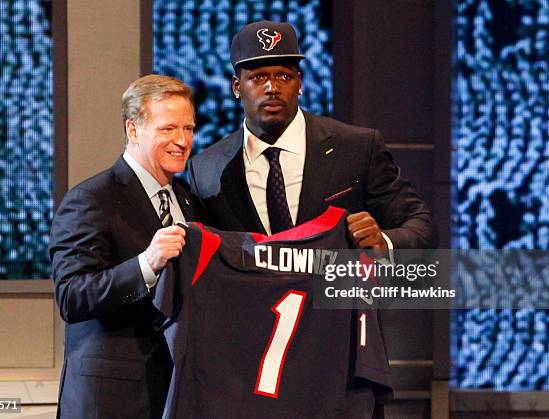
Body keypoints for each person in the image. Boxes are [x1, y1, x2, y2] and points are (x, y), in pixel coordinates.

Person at [187, 20, 438, 417]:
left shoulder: (357, 147)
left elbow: (422, 225)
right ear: (237, 86)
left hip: (340, 365)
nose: (273, 87)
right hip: (250, 370)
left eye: (284, 75)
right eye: (259, 76)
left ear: (300, 83)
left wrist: (383, 242)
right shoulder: (206, 169)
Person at [49, 74, 199, 419]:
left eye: (188, 129)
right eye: (168, 129)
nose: (182, 141)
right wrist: (147, 263)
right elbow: (72, 296)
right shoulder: (91, 199)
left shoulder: (188, 201)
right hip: (110, 400)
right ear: (133, 130)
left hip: (172, 393)